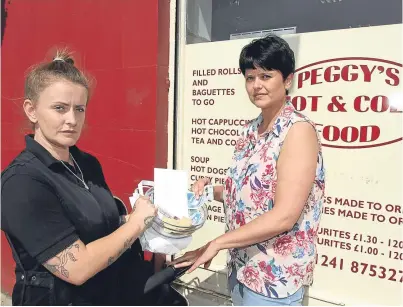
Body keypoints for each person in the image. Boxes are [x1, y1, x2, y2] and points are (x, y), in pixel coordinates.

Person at [170, 35, 325, 306]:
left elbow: (284, 216)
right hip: (242, 269)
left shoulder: (297, 131)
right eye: (250, 77)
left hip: (274, 282)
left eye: (266, 76)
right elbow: (247, 192)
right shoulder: (252, 130)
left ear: (287, 80)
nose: (256, 86)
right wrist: (206, 191)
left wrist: (217, 243)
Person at [1, 50, 164, 305]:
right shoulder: (22, 182)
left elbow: (99, 224)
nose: (72, 120)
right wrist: (136, 225)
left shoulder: (86, 164)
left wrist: (135, 219)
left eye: (79, 109)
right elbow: (76, 268)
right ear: (31, 110)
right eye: (59, 108)